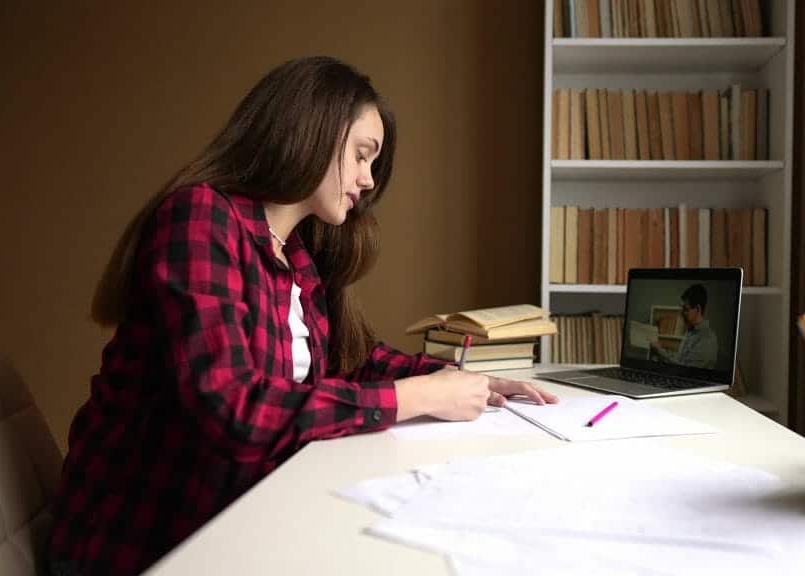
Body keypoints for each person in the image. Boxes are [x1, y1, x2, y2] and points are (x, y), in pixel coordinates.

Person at [46, 56, 557, 576]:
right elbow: (233, 409)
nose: (366, 181)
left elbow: (353, 362)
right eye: (363, 155)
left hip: (234, 523)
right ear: (312, 128)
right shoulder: (200, 218)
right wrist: (416, 398)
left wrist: (467, 380)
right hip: (140, 548)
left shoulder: (296, 257)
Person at [650, 284, 718, 369]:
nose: (681, 313)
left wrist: (660, 351)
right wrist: (661, 349)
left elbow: (683, 369)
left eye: (686, 309)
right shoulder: (690, 332)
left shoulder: (707, 339)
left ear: (698, 309)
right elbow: (680, 359)